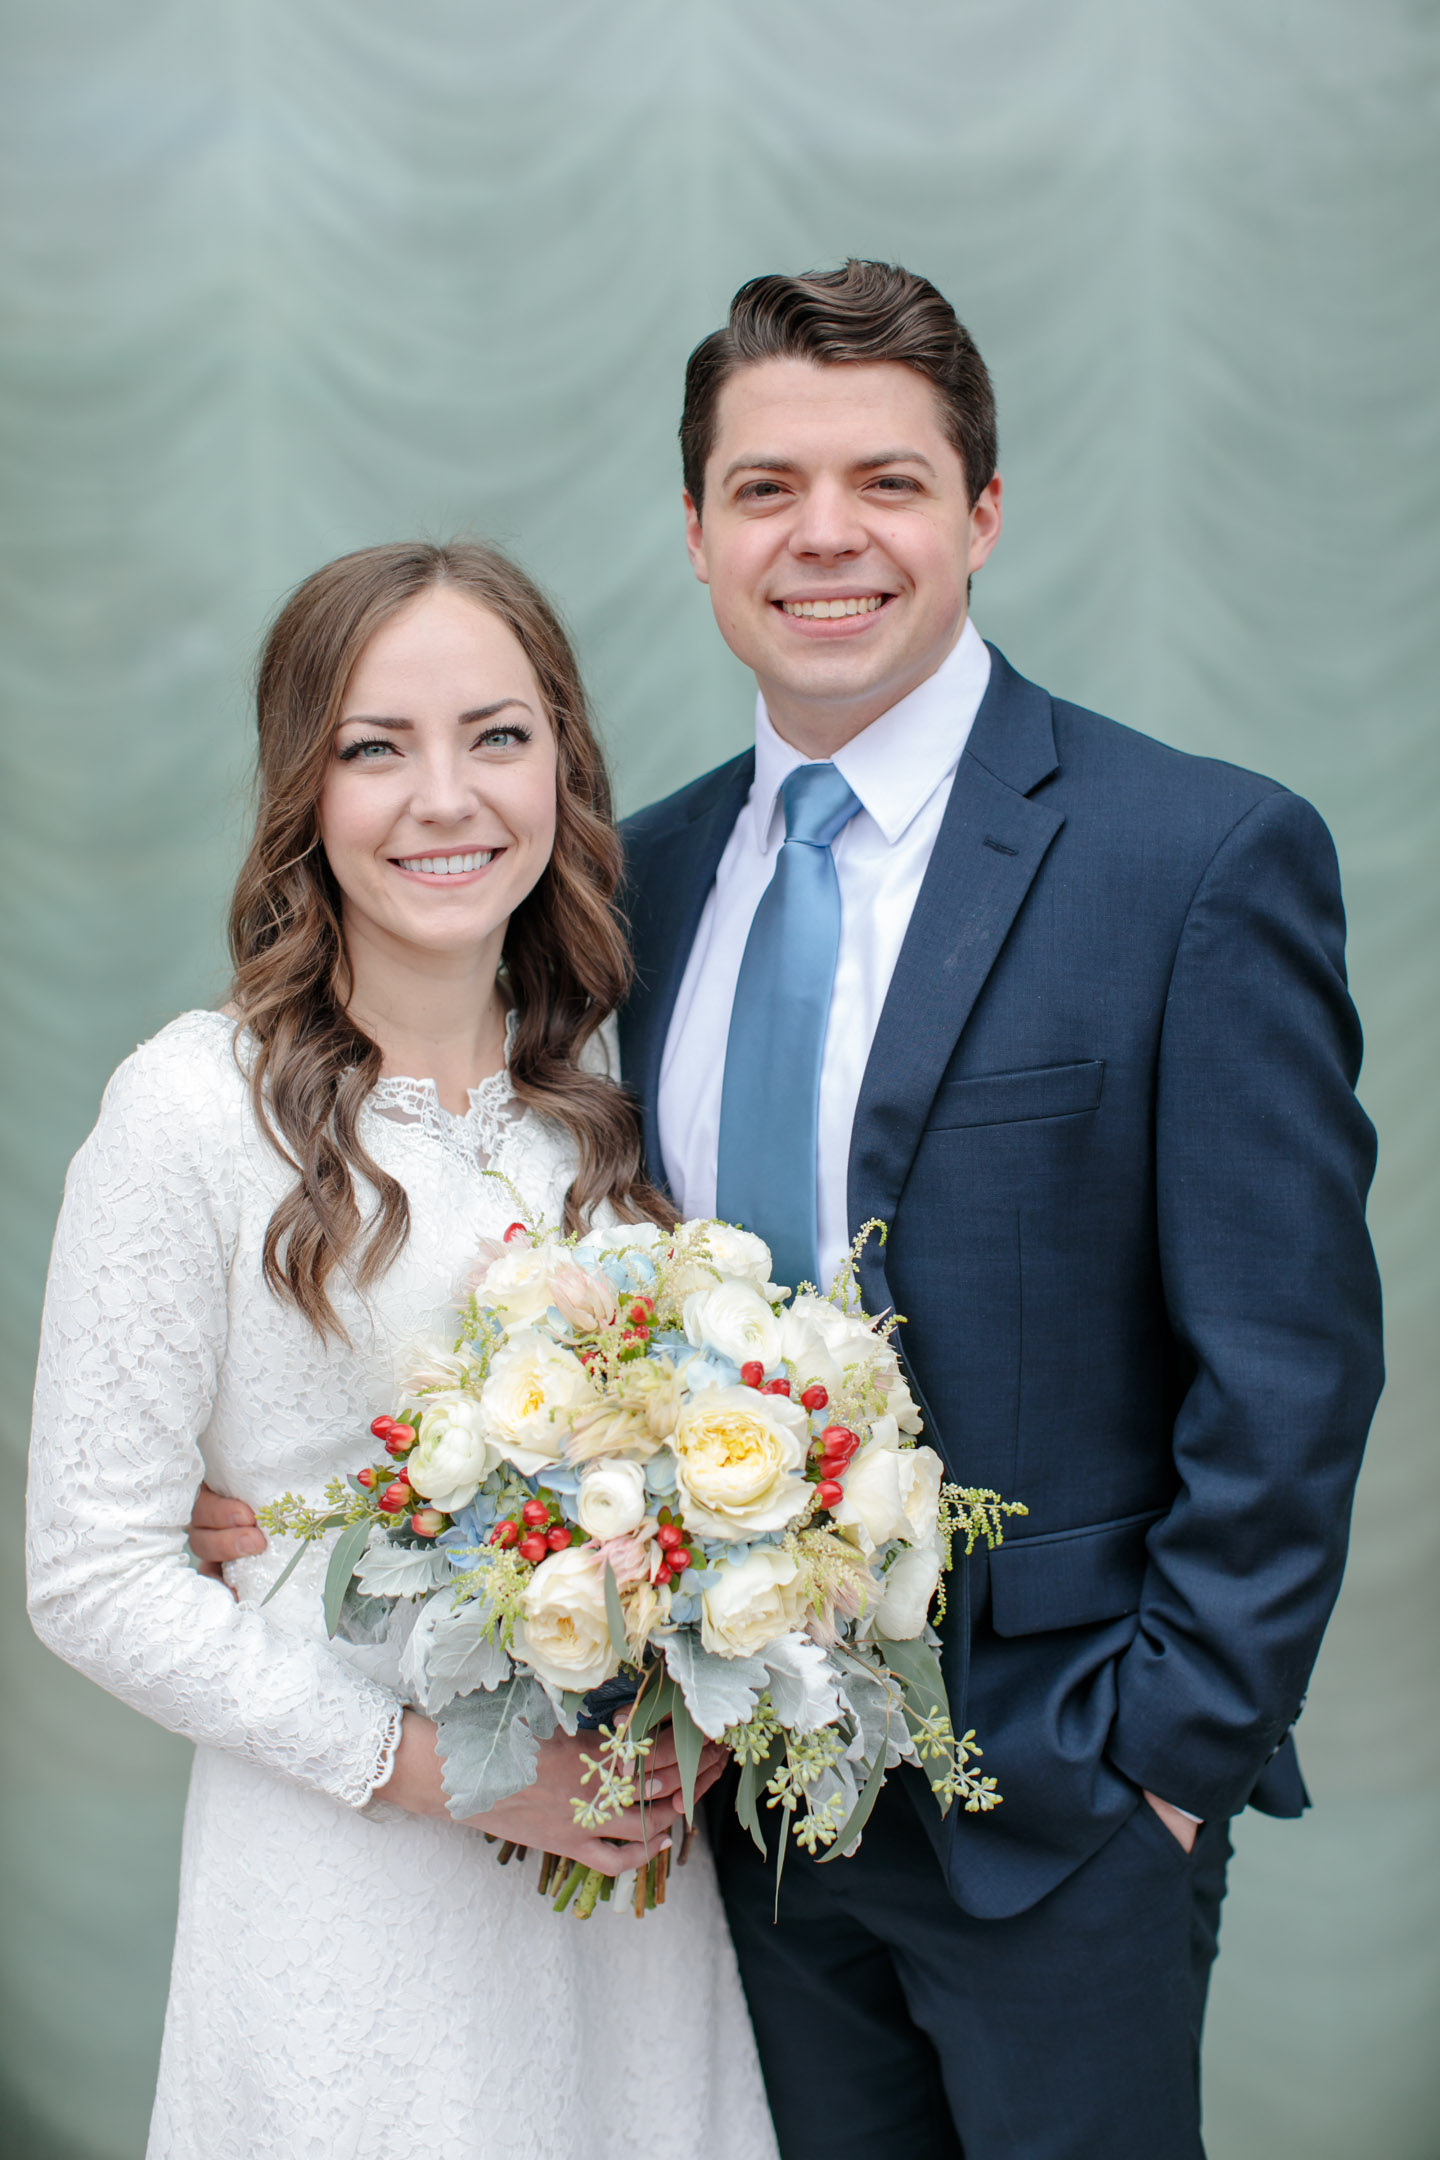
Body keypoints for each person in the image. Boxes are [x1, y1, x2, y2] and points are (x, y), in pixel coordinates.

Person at [191, 261, 1385, 2159]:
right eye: (765, 488)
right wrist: (315, 1498)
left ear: (982, 511)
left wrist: (1167, 1764)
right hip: (719, 1822)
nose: (826, 535)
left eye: (888, 482)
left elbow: (1293, 1362)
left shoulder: (1194, 858)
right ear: (694, 531)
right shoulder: (625, 889)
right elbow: (531, 1256)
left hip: (1063, 1799)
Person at [27, 541, 777, 2160]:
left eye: (497, 736)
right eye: (378, 747)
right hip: (348, 1883)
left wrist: (704, 1692)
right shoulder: (191, 1114)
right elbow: (89, 1571)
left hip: (625, 1907)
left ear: (562, 763)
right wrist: (435, 1771)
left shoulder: (612, 1109)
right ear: (307, 788)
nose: (447, 797)